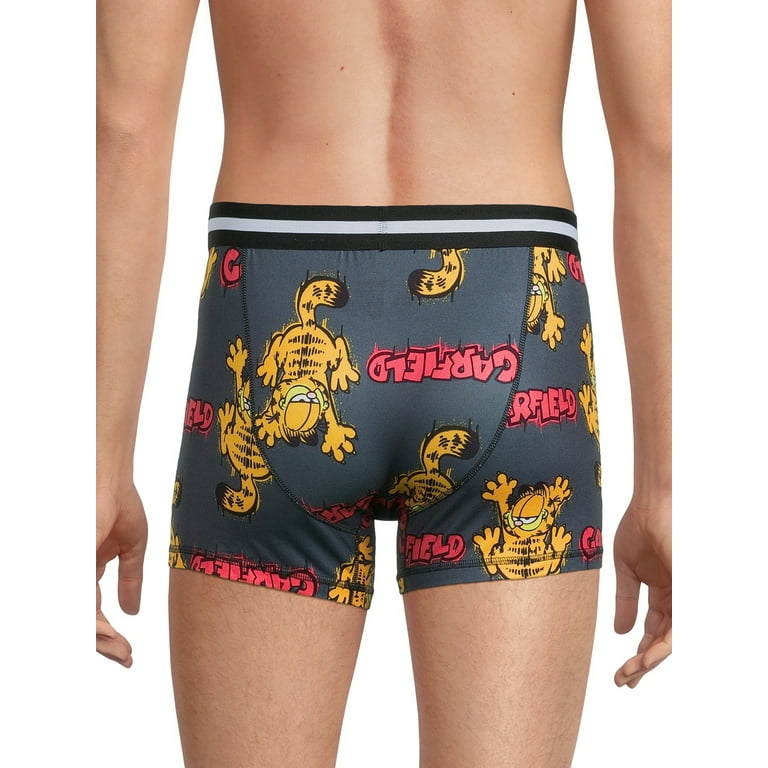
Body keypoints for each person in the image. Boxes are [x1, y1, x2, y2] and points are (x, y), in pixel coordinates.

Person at [96, 1, 671, 766]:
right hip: (515, 322)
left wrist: (98, 464)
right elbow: (659, 141)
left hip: (270, 315)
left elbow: (124, 126)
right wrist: (666, 483)